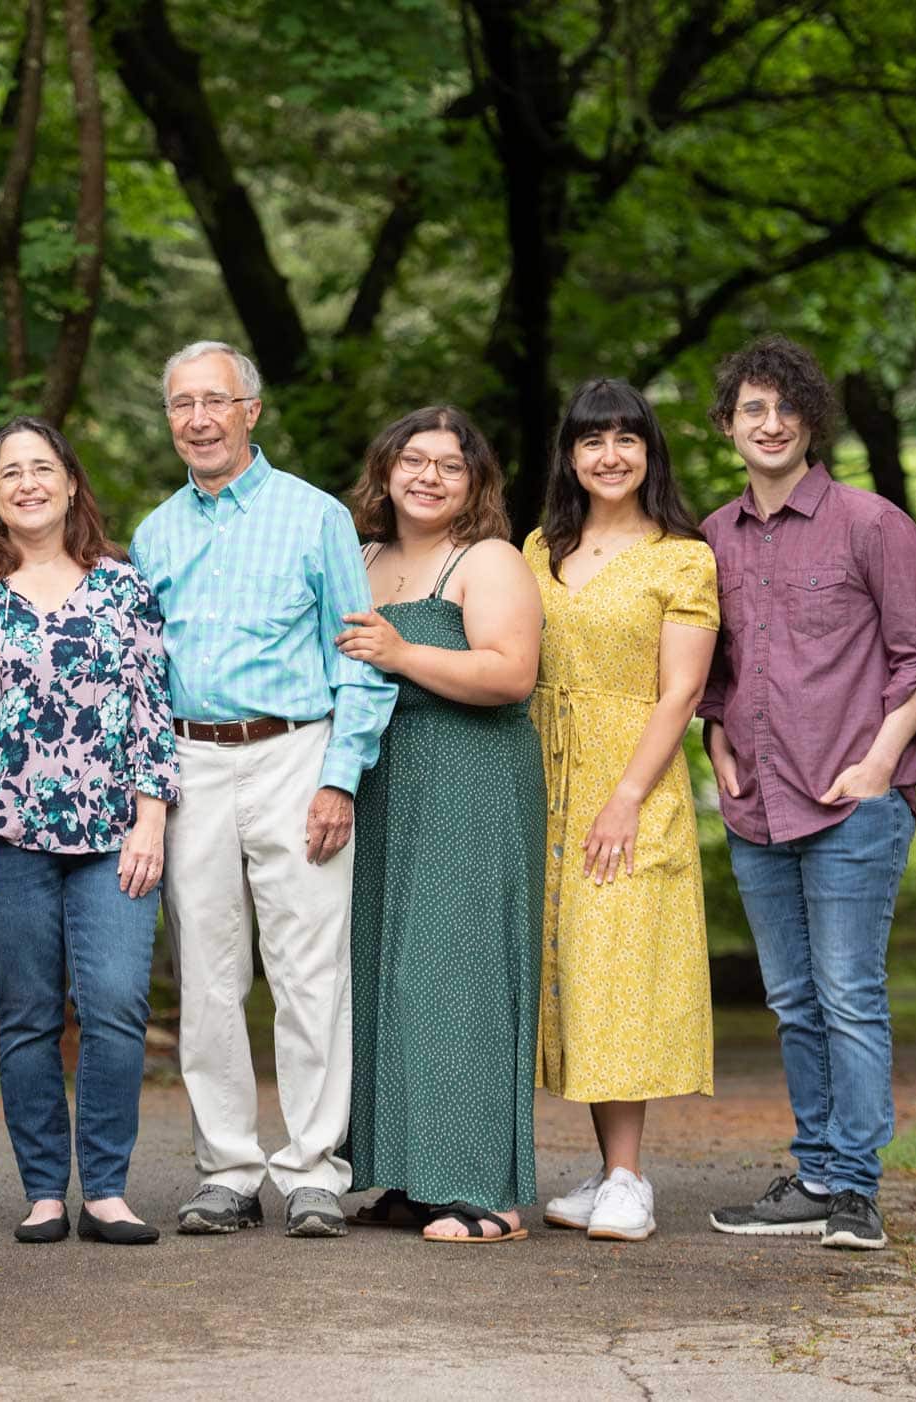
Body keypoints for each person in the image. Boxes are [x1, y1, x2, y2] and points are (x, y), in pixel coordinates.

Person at [129, 340, 397, 1239]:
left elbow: (359, 658)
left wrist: (340, 778)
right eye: (180, 404)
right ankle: (229, 1170)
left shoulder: (315, 517)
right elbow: (141, 680)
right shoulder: (154, 533)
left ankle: (314, 1168)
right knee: (205, 977)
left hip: (296, 753)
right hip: (190, 763)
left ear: (252, 410)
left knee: (309, 971)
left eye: (215, 400)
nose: (197, 419)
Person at [0, 417, 180, 1247]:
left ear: (69, 483)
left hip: (111, 835)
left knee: (117, 1003)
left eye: (42, 468)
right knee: (26, 1015)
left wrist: (151, 817)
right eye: (9, 472)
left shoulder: (122, 587)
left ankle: (108, 1191)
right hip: (2, 841)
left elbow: (152, 709)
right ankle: (44, 1193)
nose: (27, 483)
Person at [700, 335, 916, 1252]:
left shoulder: (873, 524)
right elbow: (714, 665)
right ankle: (814, 1172)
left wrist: (881, 765)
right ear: (728, 427)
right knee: (793, 1001)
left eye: (785, 408)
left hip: (854, 800)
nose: (770, 425)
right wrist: (717, 735)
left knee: (849, 994)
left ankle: (855, 1187)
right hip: (757, 805)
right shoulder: (712, 539)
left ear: (811, 421)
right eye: (751, 410)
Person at [334, 407, 544, 1244]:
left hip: (471, 775)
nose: (428, 476)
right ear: (385, 471)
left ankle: (483, 1189)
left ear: (475, 482)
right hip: (380, 780)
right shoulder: (362, 558)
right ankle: (408, 1175)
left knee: (462, 974)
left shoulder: (487, 558)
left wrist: (402, 655)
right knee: (385, 970)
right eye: (413, 460)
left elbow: (511, 673)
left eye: (449, 466)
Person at [523, 377, 719, 1245]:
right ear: (570, 455)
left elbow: (681, 691)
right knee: (560, 975)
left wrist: (627, 798)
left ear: (650, 453)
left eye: (626, 439)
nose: (610, 455)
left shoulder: (684, 556)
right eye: (592, 439)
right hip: (540, 773)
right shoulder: (538, 548)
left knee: (618, 976)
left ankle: (631, 1180)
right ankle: (605, 1172)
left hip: (627, 778)